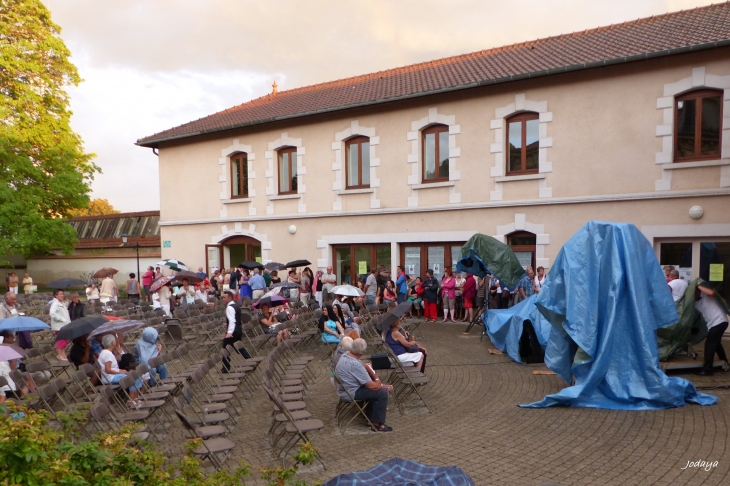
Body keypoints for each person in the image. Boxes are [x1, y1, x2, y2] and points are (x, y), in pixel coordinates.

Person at [335, 338, 393, 432]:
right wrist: (379, 383)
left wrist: (367, 367)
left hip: (344, 389)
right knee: (382, 393)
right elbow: (372, 385)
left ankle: (371, 418)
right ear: (362, 352)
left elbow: (364, 365)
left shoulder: (345, 355)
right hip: (350, 392)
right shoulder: (355, 365)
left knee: (376, 390)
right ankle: (377, 424)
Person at [98, 334, 143, 408]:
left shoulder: (106, 352)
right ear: (112, 343)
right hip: (110, 377)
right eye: (115, 340)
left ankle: (135, 398)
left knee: (136, 375)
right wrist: (120, 372)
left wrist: (118, 354)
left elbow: (112, 364)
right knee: (130, 378)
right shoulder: (107, 354)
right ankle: (130, 401)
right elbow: (108, 370)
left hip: (113, 375)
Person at [695, 285, 729, 376]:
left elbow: (711, 292)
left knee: (709, 344)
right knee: (716, 343)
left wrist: (698, 285)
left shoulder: (705, 294)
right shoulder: (695, 303)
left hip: (719, 321)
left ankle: (708, 369)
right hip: (715, 324)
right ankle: (724, 361)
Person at [221, 291, 252, 372]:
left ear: (230, 298)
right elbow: (235, 319)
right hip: (238, 329)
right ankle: (250, 360)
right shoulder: (236, 306)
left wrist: (229, 332)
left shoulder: (230, 307)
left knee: (225, 348)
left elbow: (232, 321)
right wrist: (227, 323)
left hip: (233, 331)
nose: (223, 299)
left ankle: (225, 367)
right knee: (239, 347)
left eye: (225, 297)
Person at [0, 330, 34, 403]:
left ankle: (28, 398)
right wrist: (13, 360)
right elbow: (10, 371)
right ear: (6, 338)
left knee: (27, 376)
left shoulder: (9, 349)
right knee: (26, 378)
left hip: (10, 382)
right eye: (12, 336)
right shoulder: (3, 356)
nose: (14, 338)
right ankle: (26, 399)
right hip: (10, 383)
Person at [50, 289, 71, 361]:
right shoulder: (55, 304)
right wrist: (61, 319)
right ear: (56, 295)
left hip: (65, 325)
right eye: (60, 294)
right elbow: (52, 313)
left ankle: (63, 353)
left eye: (63, 294)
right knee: (61, 340)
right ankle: (59, 355)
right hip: (59, 326)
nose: (62, 295)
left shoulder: (61, 303)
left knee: (65, 340)